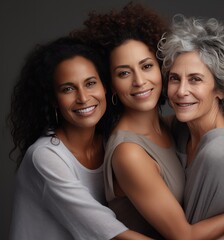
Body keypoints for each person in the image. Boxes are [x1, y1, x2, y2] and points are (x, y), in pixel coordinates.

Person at [71, 3, 224, 239]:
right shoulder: (129, 152)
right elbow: (184, 236)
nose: (139, 81)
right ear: (111, 85)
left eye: (146, 66)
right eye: (124, 73)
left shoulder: (174, 126)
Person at [8, 36, 150, 240]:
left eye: (90, 83)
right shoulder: (45, 157)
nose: (83, 98)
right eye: (68, 89)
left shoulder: (111, 142)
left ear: (105, 87)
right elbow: (113, 234)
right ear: (54, 100)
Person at [157, 14, 224, 239]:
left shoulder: (219, 152)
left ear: (220, 89)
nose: (181, 91)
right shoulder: (182, 129)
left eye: (195, 79)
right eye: (175, 78)